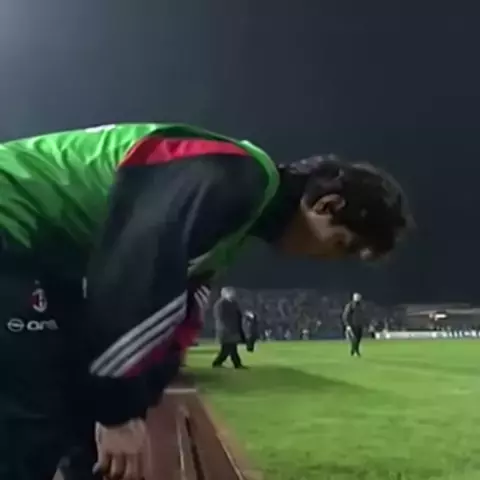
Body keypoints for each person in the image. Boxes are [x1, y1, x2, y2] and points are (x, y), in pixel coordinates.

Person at [0, 122, 412, 480]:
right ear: (327, 205)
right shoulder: (234, 178)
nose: (328, 259)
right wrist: (118, 413)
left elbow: (177, 323)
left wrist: (131, 404)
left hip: (42, 252)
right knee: (29, 420)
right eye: (341, 244)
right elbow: (134, 276)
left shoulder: (234, 221)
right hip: (12, 218)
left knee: (68, 411)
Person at [212, 287, 247, 368]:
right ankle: (219, 363)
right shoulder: (220, 304)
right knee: (228, 348)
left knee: (230, 348)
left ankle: (234, 364)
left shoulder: (234, 303)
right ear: (225, 293)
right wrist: (227, 328)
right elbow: (220, 318)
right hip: (225, 330)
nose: (233, 294)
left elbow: (238, 315)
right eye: (231, 292)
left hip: (233, 329)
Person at [342, 292, 367, 356]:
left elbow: (363, 315)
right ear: (354, 298)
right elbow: (345, 315)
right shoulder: (350, 305)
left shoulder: (361, 305)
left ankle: (355, 349)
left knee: (358, 339)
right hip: (352, 325)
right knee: (354, 339)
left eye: (359, 297)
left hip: (359, 325)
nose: (358, 298)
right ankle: (355, 350)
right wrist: (347, 325)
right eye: (357, 297)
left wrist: (364, 323)